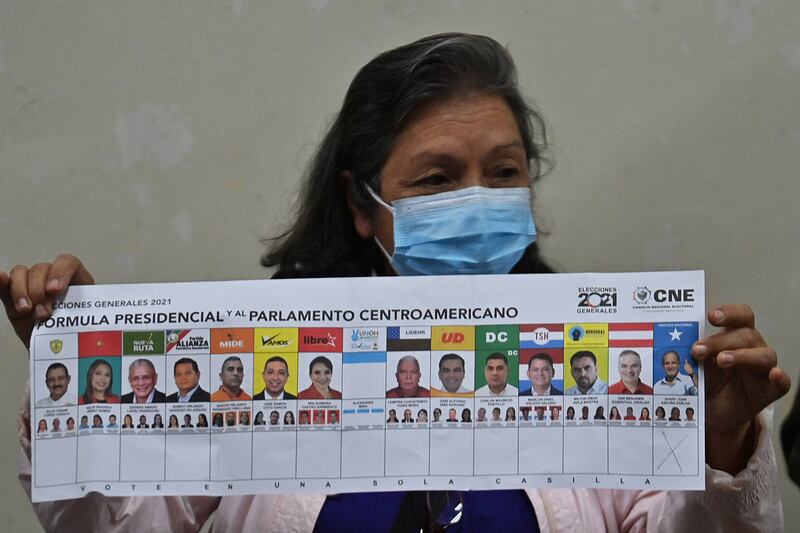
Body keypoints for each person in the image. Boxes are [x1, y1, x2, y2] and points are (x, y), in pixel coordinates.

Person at [3, 32, 788, 532]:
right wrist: (72, 374)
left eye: (504, 173)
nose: (476, 202)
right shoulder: (251, 363)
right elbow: (114, 527)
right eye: (438, 180)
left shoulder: (614, 373)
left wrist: (720, 442)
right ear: (361, 204)